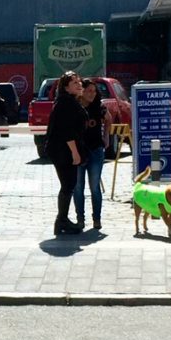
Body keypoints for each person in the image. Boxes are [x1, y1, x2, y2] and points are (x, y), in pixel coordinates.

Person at [45, 71, 88, 236]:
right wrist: (75, 153)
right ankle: (62, 221)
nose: (79, 85)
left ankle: (62, 220)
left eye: (79, 82)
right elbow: (67, 131)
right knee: (68, 185)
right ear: (66, 87)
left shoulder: (70, 101)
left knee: (68, 185)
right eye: (75, 83)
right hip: (63, 150)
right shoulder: (65, 103)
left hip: (63, 149)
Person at [73, 79, 112, 230]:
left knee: (94, 187)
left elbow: (108, 119)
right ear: (81, 91)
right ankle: (80, 219)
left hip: (96, 150)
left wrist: (106, 136)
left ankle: (97, 219)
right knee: (78, 187)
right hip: (78, 151)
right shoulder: (75, 106)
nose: (92, 94)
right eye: (88, 91)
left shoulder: (100, 107)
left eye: (94, 91)